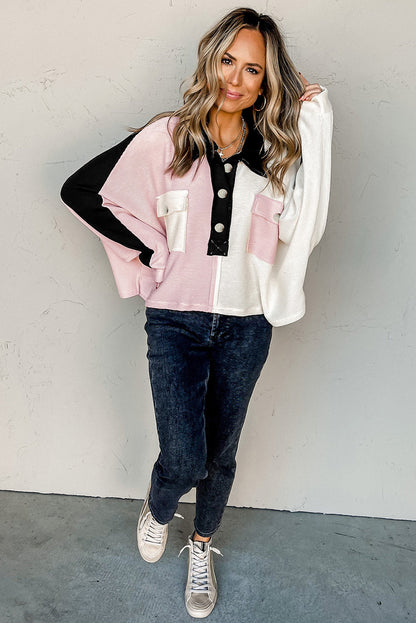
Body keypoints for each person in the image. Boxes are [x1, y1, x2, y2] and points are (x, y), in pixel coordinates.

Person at [61, 7, 333, 618]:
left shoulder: (276, 152)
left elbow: (303, 222)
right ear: (211, 62)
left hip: (247, 322)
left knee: (221, 452)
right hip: (175, 321)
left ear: (266, 82)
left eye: (253, 70)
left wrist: (315, 124)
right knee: (184, 454)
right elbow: (82, 190)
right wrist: (149, 250)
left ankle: (202, 546)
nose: (236, 78)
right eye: (228, 61)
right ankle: (159, 507)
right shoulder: (169, 136)